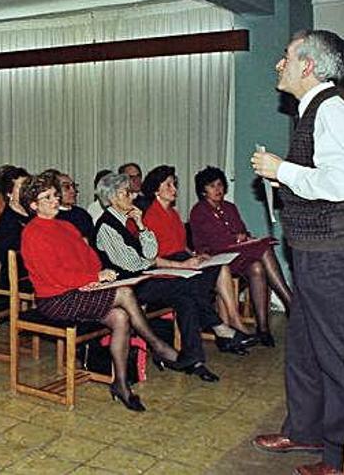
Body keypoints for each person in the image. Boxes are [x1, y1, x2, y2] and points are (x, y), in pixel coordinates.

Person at [251, 30, 344, 475]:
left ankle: (342, 455)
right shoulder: (314, 111)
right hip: (314, 250)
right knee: (304, 348)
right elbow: (320, 179)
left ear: (307, 65)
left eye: (285, 56)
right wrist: (282, 179)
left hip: (334, 254)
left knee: (339, 354)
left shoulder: (335, 110)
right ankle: (305, 430)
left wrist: (281, 169)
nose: (277, 65)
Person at [19, 173, 180, 410]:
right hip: (55, 299)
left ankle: (121, 384)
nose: (55, 200)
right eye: (47, 197)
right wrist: (92, 278)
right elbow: (54, 275)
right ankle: (157, 345)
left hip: (77, 291)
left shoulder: (65, 226)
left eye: (55, 195)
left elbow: (92, 259)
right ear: (33, 205)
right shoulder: (32, 233)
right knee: (124, 293)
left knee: (121, 317)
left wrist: (93, 278)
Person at [93, 173, 232, 382]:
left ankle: (195, 360)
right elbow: (131, 264)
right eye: (126, 193)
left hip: (142, 279)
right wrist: (150, 261)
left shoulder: (128, 221)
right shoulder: (107, 226)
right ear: (113, 198)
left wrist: (141, 225)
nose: (132, 196)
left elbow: (151, 251)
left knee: (186, 298)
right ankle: (217, 325)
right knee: (189, 287)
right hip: (128, 288)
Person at [141, 165, 254, 349]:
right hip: (165, 268)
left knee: (221, 267)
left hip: (181, 260)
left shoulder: (173, 214)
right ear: (156, 191)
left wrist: (194, 255)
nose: (174, 189)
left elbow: (180, 245)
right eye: (168, 185)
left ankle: (232, 323)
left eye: (174, 185)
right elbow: (151, 258)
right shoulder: (150, 217)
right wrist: (184, 264)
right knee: (201, 281)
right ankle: (226, 330)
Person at [189, 166, 292, 347]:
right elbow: (214, 243)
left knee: (258, 267)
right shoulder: (199, 211)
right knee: (265, 249)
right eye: (212, 186)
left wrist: (245, 237)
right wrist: (238, 238)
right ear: (203, 191)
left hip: (236, 255)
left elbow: (242, 230)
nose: (218, 189)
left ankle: (263, 328)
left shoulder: (230, 207)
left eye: (220, 185)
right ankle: (290, 301)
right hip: (216, 258)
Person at [0, 166, 30, 289]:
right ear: (9, 193)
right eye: (22, 187)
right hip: (15, 273)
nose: (27, 191)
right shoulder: (8, 222)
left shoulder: (33, 214)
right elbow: (4, 257)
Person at [53, 171, 94, 239]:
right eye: (66, 187)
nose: (73, 191)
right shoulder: (52, 215)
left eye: (73, 186)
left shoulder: (82, 214)